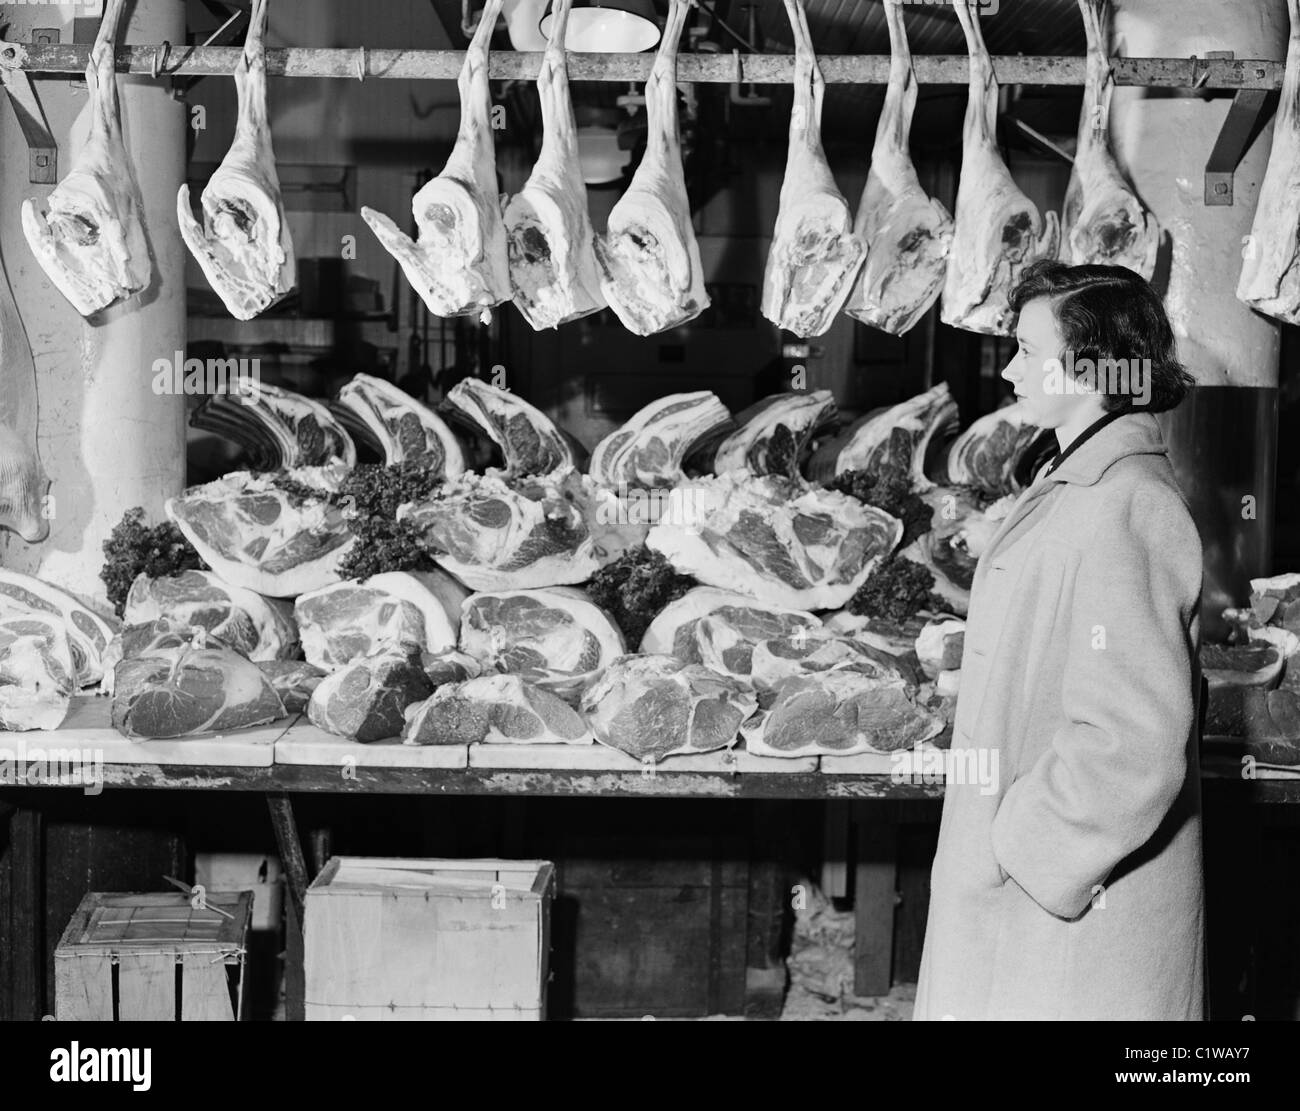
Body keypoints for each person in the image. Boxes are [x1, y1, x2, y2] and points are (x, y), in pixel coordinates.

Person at [913, 260, 1204, 1021]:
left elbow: (1133, 741)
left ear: (1096, 367)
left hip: (1068, 929)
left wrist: (1023, 848)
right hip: (1030, 913)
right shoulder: (1075, 476)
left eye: (1026, 351)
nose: (1008, 369)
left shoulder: (1127, 502)